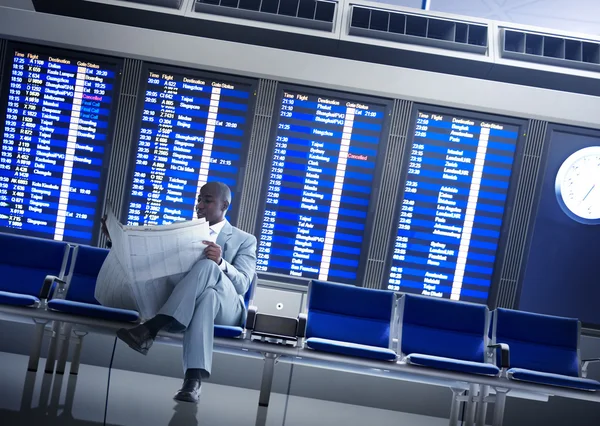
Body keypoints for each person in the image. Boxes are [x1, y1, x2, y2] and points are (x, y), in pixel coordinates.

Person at [98, 182, 257, 403]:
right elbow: (149, 260)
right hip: (197, 304)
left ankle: (152, 327)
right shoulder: (181, 229)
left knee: (208, 267)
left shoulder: (245, 240)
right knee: (206, 298)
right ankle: (192, 382)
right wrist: (115, 239)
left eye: (207, 200)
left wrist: (221, 262)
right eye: (199, 200)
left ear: (225, 205)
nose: (200, 205)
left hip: (228, 307)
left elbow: (242, 285)